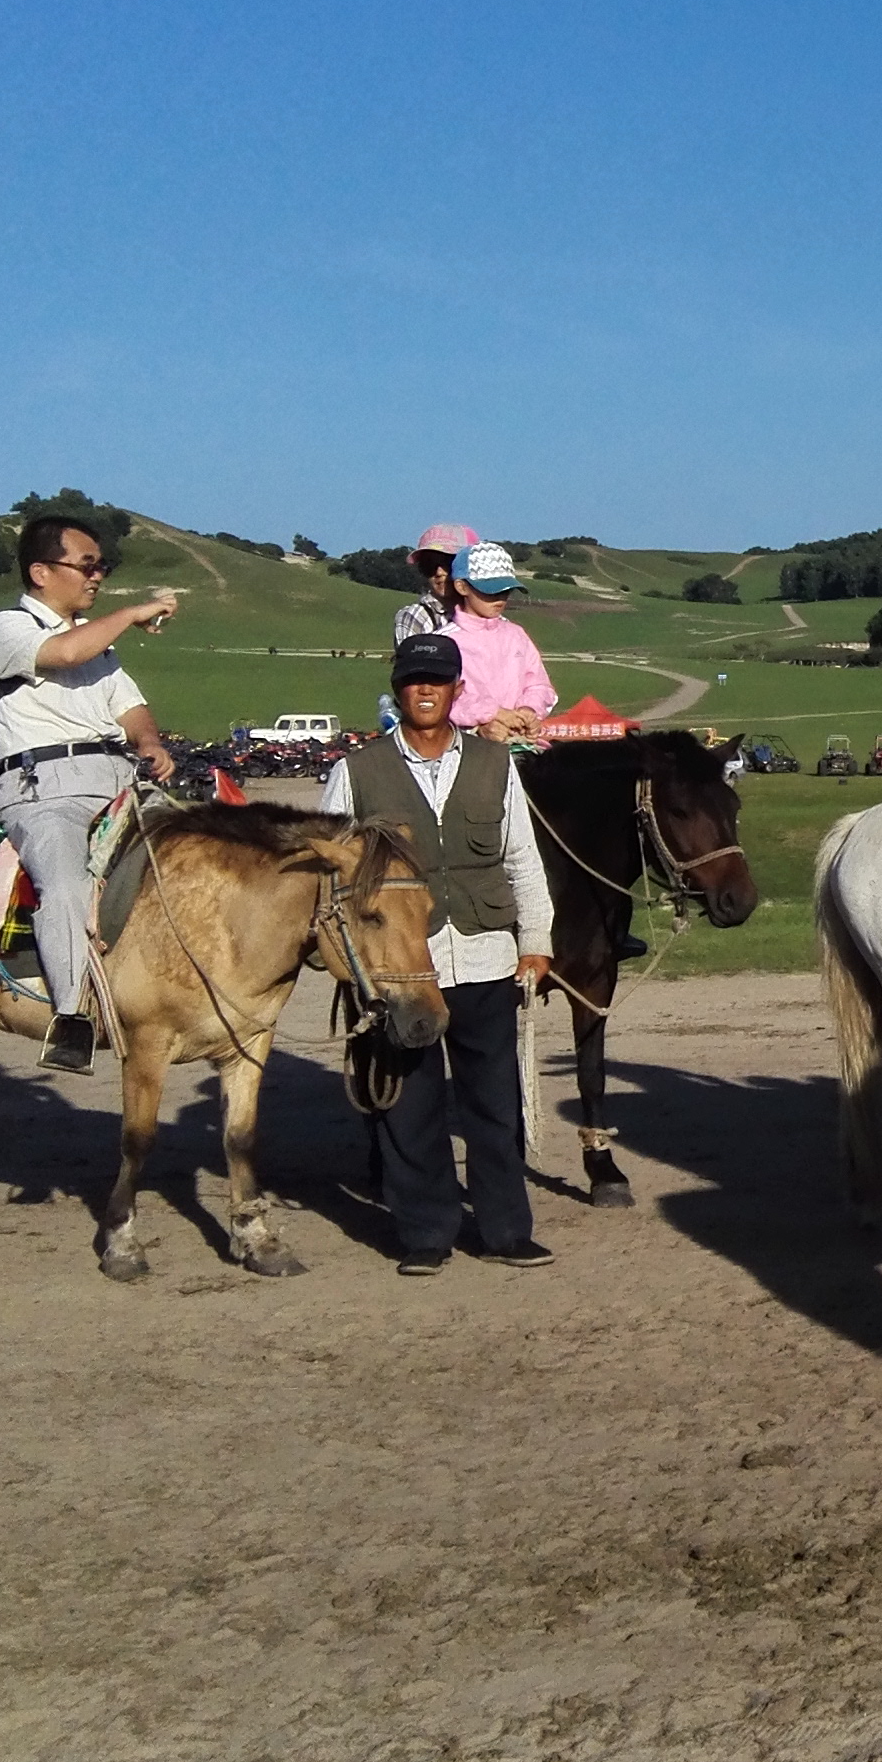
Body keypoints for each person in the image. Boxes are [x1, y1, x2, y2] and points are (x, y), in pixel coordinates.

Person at [321, 632, 558, 1275]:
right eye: (412, 680)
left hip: (485, 955)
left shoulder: (494, 763)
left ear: (458, 690)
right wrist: (352, 965)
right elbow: (332, 875)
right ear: (396, 690)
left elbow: (522, 860)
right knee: (410, 1106)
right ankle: (425, 1233)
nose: (424, 690)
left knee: (493, 1104)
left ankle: (506, 1231)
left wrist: (535, 941)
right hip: (400, 970)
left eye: (437, 680)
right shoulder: (356, 771)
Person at [0, 516, 182, 1074]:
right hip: (45, 789)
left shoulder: (100, 646)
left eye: (101, 566)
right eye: (87, 565)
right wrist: (131, 613)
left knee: (209, 850)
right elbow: (65, 654)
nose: (97, 576)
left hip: (122, 781)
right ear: (41, 572)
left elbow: (130, 708)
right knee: (67, 880)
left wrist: (148, 741)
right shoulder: (8, 628)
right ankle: (71, 1015)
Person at [439, 541, 556, 744]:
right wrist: (491, 715)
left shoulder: (516, 635)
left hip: (522, 745)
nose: (500, 598)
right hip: (466, 749)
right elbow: (441, 699)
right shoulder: (444, 642)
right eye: (490, 590)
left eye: (506, 590)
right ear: (462, 586)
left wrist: (529, 711)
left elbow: (540, 685)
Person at [391, 522, 478, 644]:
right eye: (429, 564)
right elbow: (414, 663)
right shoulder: (416, 617)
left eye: (449, 563)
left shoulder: (494, 619)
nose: (439, 572)